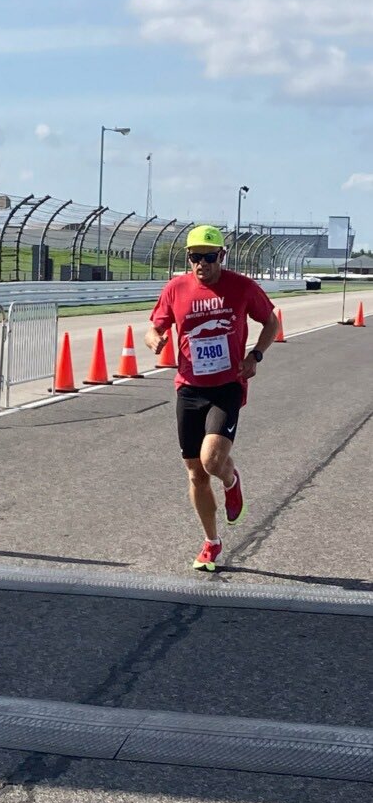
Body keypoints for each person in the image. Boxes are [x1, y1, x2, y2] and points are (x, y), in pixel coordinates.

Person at [144, 225, 279, 572]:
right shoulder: (176, 288)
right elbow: (154, 327)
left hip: (227, 385)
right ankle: (211, 542)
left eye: (209, 256)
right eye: (194, 256)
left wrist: (255, 356)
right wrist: (154, 340)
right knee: (195, 474)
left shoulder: (242, 287)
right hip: (189, 388)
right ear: (187, 257)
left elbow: (270, 321)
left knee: (211, 460)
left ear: (222, 256)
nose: (201, 263)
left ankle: (232, 482)